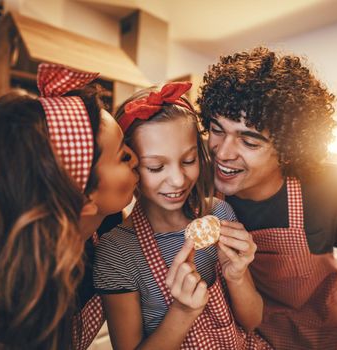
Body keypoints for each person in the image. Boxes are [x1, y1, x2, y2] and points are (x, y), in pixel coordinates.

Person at [196, 46, 337, 350]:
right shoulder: (194, 173)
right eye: (217, 130)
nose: (224, 153)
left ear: (289, 149)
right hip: (224, 336)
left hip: (305, 339)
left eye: (249, 141)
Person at [0, 63, 139, 349]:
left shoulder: (92, 233)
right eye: (122, 156)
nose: (137, 158)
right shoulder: (10, 327)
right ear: (81, 197)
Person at [93, 82, 272, 349]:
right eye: (155, 167)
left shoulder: (220, 213)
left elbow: (252, 321)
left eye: (188, 161)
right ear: (130, 163)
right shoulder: (117, 251)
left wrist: (236, 275)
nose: (177, 180)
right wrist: (184, 311)